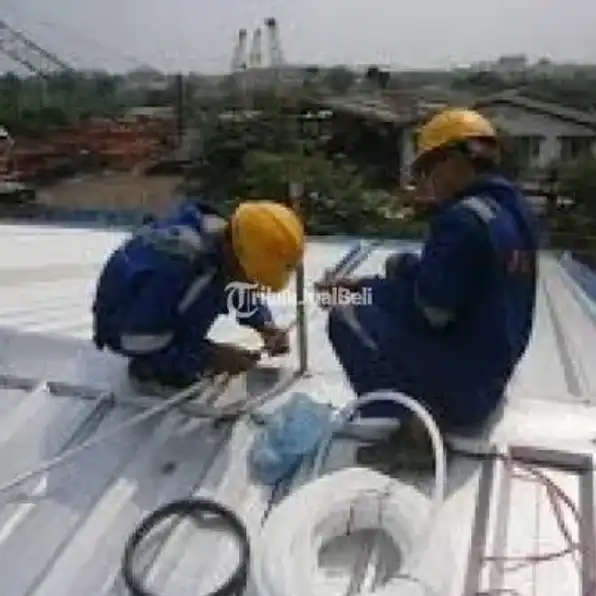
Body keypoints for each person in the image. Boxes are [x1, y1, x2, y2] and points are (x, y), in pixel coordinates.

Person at [316, 108, 539, 467]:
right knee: (391, 273)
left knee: (345, 316)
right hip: (493, 374)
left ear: (452, 162)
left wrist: (361, 293)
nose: (426, 183)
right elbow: (466, 281)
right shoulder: (514, 210)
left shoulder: (460, 221)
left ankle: (416, 432)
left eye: (427, 170)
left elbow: (431, 313)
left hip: (466, 390)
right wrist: (385, 277)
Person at [92, 198, 304, 395]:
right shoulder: (179, 263)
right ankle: (154, 371)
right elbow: (138, 339)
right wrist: (209, 357)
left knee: (216, 284)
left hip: (159, 305)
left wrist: (263, 323)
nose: (253, 285)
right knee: (199, 302)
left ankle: (181, 357)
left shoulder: (223, 241)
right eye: (252, 277)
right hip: (127, 328)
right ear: (235, 254)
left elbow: (236, 286)